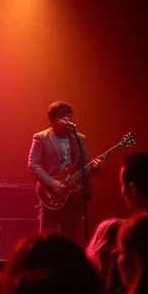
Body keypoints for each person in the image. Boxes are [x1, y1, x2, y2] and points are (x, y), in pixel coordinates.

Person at [28, 101, 100, 247]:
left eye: (69, 116)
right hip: (51, 193)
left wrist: (95, 166)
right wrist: (53, 183)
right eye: (62, 116)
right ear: (52, 120)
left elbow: (86, 162)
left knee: (73, 238)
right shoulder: (41, 137)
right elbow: (33, 165)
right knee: (47, 238)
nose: (67, 119)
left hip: (74, 193)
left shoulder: (79, 138)